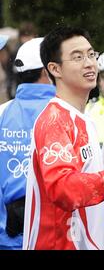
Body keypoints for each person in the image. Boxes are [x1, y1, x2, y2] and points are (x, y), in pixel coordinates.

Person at [22, 27, 104, 250]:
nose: (89, 63)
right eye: (77, 57)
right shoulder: (55, 121)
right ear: (54, 69)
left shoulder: (84, 120)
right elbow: (62, 188)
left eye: (91, 54)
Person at [0, 38, 55, 250]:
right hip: (54, 237)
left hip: (6, 238)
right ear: (46, 71)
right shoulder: (66, 113)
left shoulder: (3, 112)